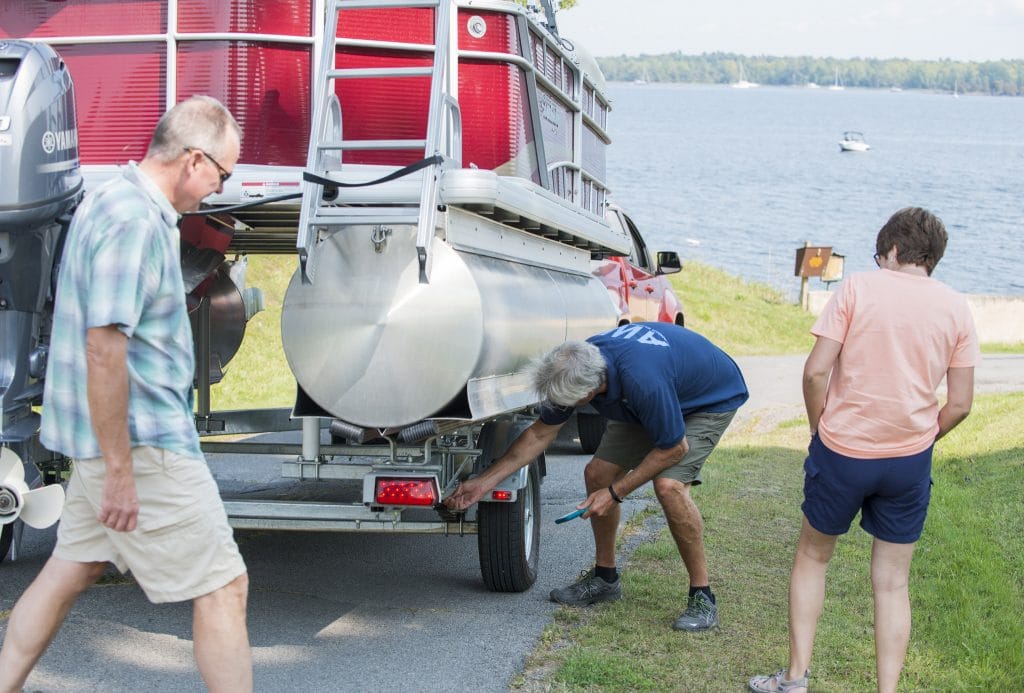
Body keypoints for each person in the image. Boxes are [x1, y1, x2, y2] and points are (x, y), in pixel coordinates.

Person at [0, 96, 252, 692]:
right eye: (222, 174)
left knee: (69, 572)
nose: (217, 190)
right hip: (141, 447)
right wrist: (119, 471)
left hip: (104, 442)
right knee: (223, 586)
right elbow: (103, 349)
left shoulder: (107, 199)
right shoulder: (134, 221)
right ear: (194, 160)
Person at [749, 207, 978, 693]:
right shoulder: (957, 306)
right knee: (893, 582)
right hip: (909, 460)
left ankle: (794, 680)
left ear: (892, 250)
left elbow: (815, 372)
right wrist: (921, 439)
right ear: (931, 256)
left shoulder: (857, 287)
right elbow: (960, 405)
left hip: (844, 449)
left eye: (880, 255)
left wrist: (818, 431)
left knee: (813, 557)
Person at [445, 322, 748, 631]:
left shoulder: (642, 381)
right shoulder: (575, 365)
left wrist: (615, 494)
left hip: (706, 399)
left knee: (669, 486)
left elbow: (673, 448)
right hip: (654, 396)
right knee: (597, 472)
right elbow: (539, 435)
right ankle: (605, 579)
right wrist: (484, 482)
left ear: (590, 392)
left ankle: (702, 596)